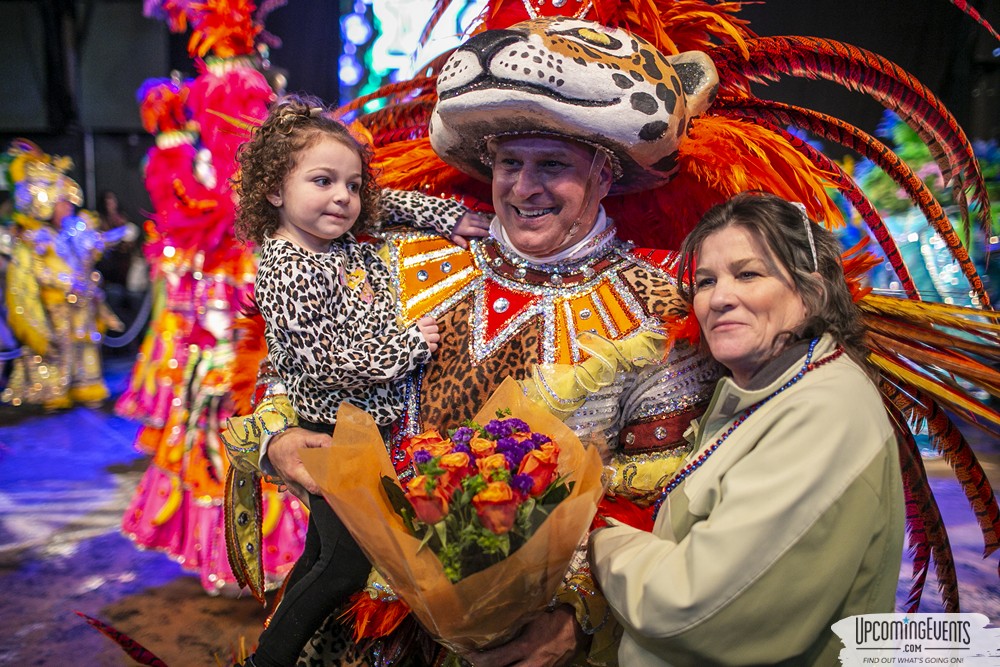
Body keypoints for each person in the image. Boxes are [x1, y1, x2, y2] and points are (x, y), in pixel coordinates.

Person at [222, 18, 723, 667]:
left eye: (553, 165)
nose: (524, 187)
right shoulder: (401, 259)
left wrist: (578, 615)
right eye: (510, 163)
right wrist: (280, 438)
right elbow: (294, 365)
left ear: (606, 172)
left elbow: (664, 503)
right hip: (362, 630)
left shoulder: (658, 310)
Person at [586, 191, 904, 666]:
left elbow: (694, 607)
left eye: (748, 274)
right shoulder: (764, 391)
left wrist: (599, 540)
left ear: (813, 292)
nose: (719, 298)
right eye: (705, 281)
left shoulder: (823, 412)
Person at [231, 93, 490, 667]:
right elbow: (327, 363)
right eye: (323, 181)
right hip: (334, 428)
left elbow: (387, 204)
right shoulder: (288, 268)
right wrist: (409, 346)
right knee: (343, 566)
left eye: (352, 185)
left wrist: (451, 219)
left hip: (360, 426)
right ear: (273, 191)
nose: (343, 198)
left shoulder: (334, 238)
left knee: (322, 552)